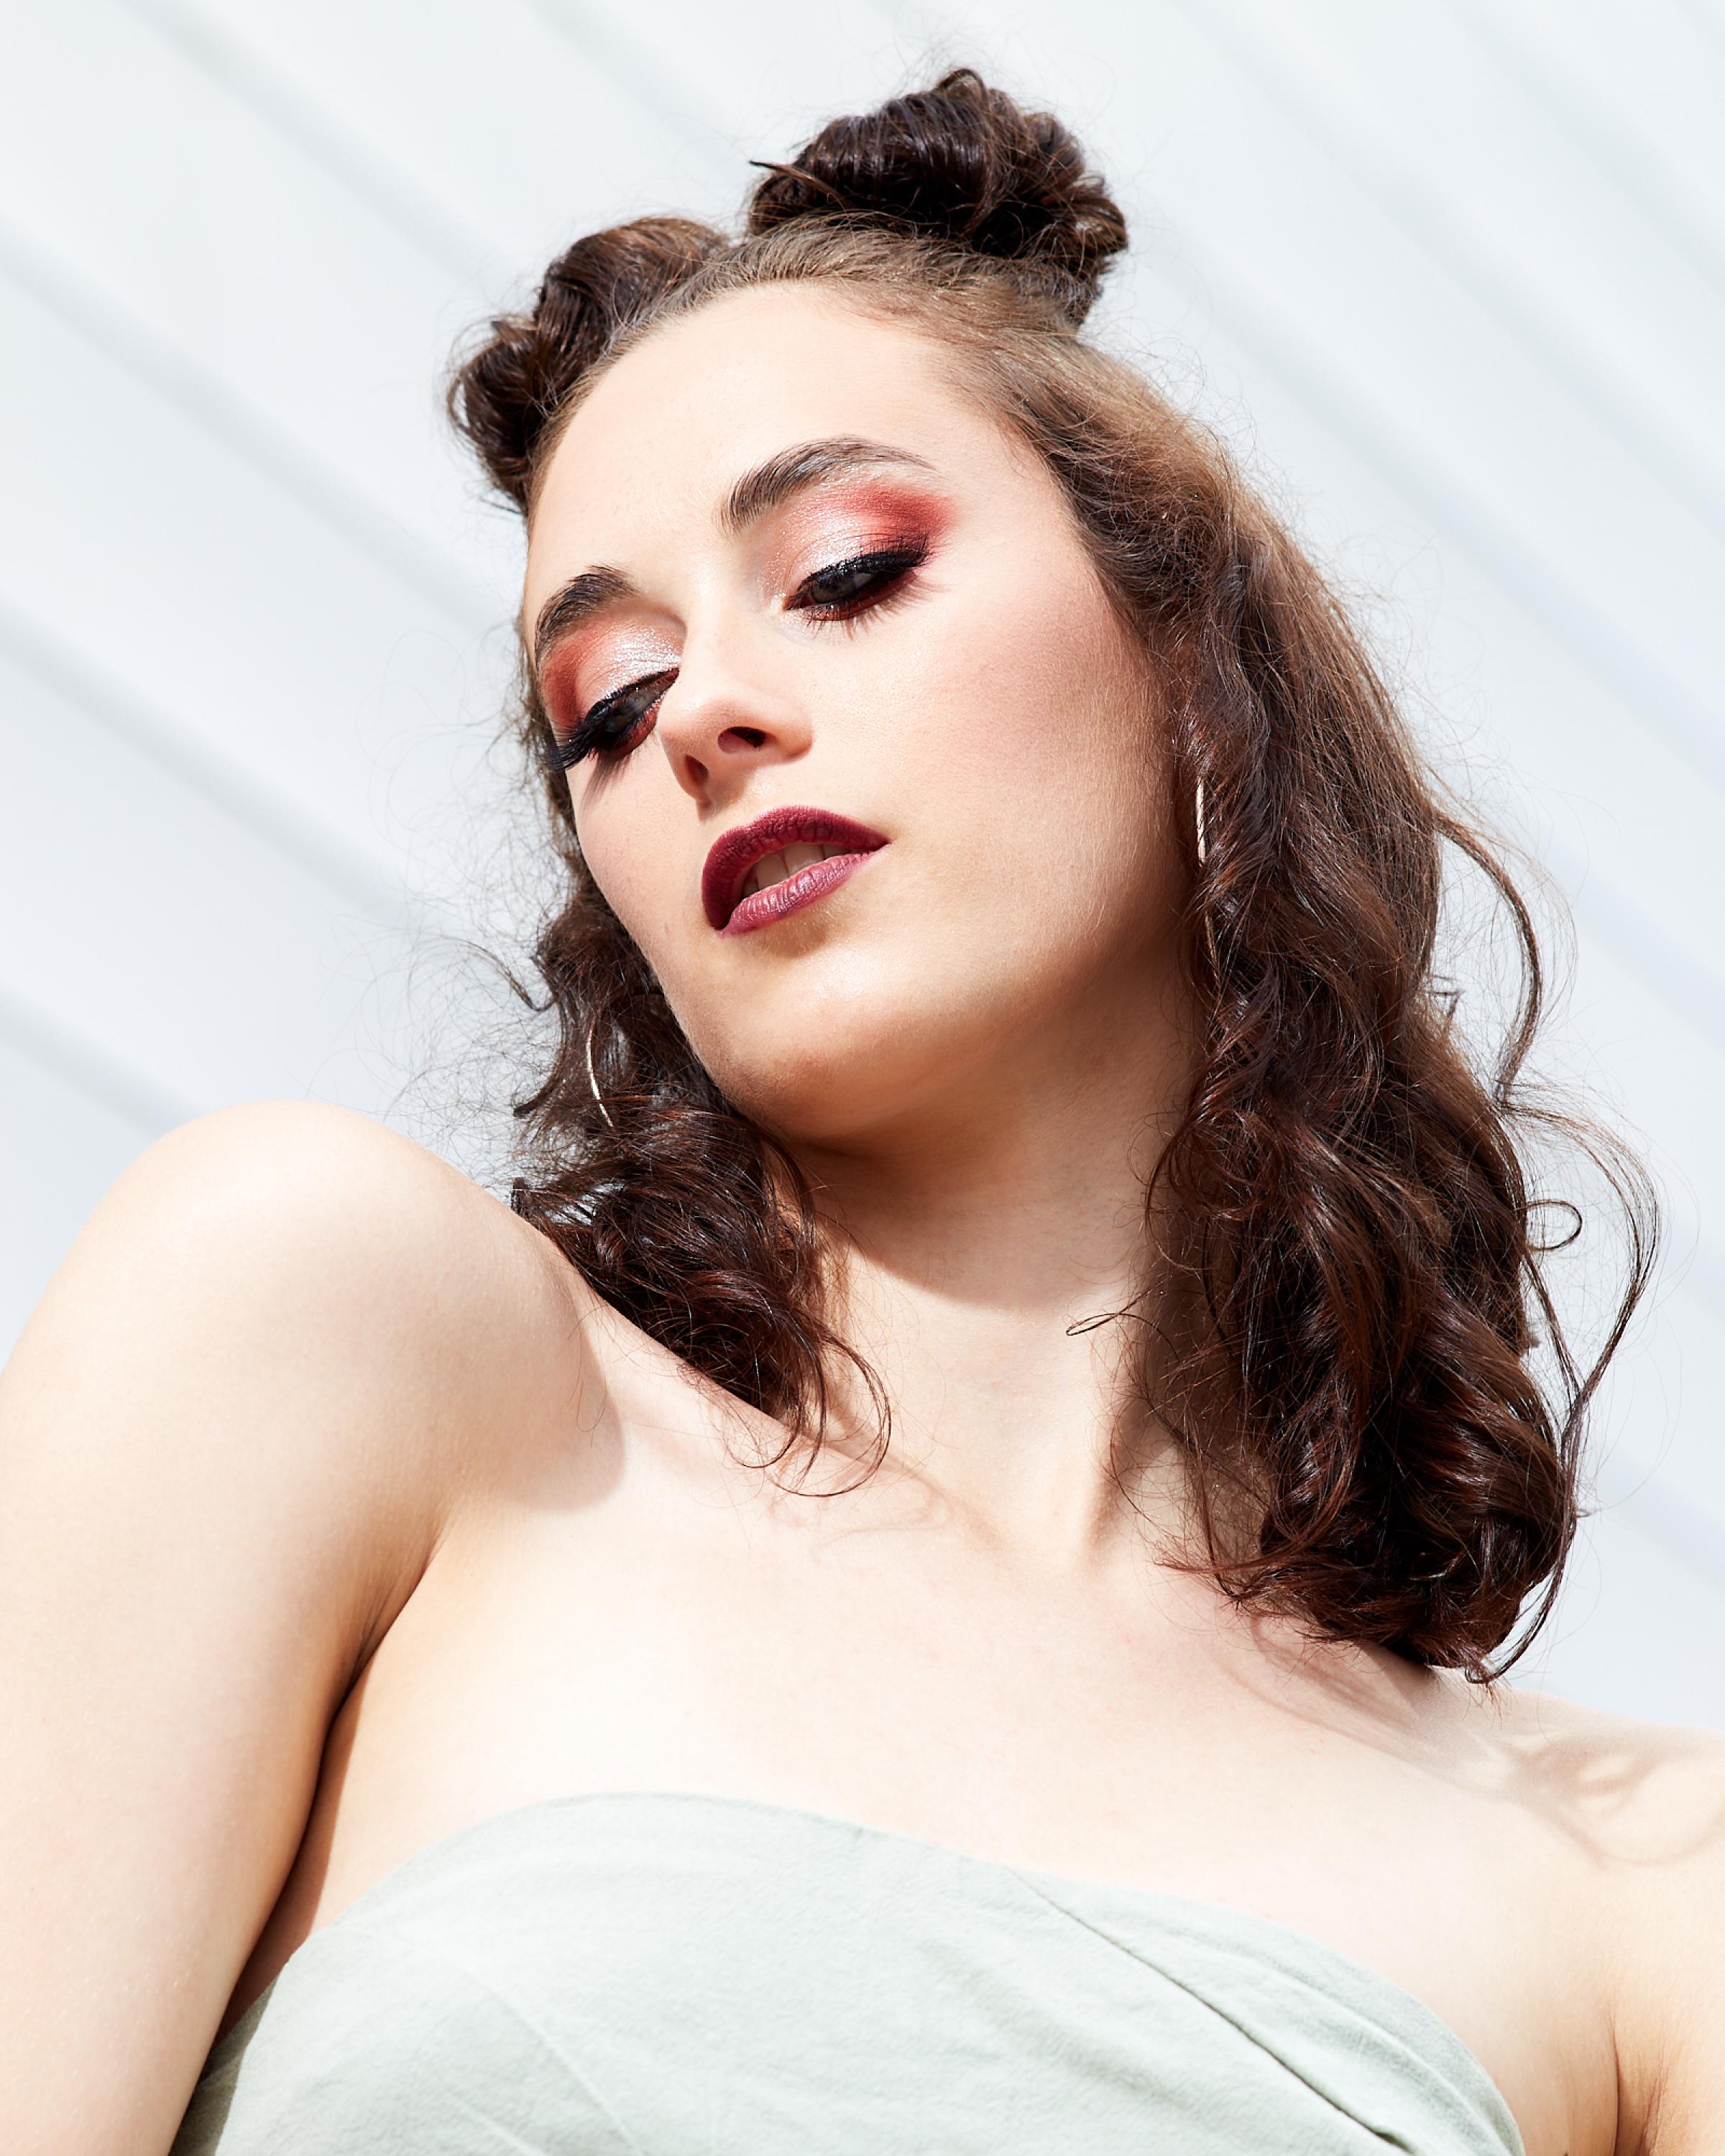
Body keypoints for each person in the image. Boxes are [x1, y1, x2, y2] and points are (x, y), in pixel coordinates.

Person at [1, 67, 1718, 2156]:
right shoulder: (343, 1331)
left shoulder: (1647, 1892)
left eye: (841, 572)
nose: (705, 718)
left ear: (1190, 658)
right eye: (605, 712)